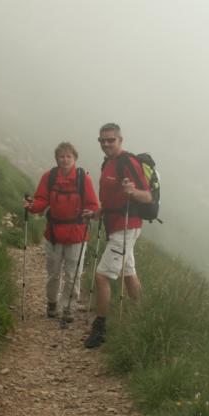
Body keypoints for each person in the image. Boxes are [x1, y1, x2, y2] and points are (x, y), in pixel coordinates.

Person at [85, 123, 152, 348]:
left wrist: (133, 191)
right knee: (128, 273)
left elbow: (148, 197)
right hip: (115, 224)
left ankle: (100, 328)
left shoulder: (127, 162)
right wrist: (98, 213)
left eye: (110, 140)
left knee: (101, 277)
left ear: (120, 140)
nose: (106, 144)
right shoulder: (108, 163)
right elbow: (110, 198)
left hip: (126, 226)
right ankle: (140, 315)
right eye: (102, 140)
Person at [24, 142, 99, 322]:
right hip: (54, 234)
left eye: (68, 156)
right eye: (61, 156)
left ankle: (68, 308)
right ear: (57, 158)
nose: (65, 160)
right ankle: (52, 303)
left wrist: (92, 213)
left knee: (73, 274)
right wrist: (32, 206)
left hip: (76, 234)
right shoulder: (49, 177)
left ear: (75, 158)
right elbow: (41, 200)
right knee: (53, 272)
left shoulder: (83, 179)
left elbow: (93, 205)